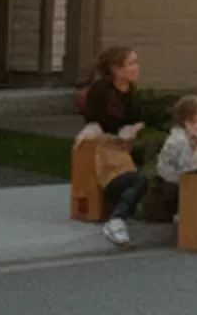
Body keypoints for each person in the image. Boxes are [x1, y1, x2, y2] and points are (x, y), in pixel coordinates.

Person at [73, 46, 148, 247]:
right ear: (116, 69)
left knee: (143, 177)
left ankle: (121, 215)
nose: (137, 67)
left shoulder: (130, 90)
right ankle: (116, 220)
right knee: (139, 180)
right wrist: (118, 133)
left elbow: (138, 118)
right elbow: (97, 122)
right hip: (106, 152)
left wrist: (135, 128)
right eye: (131, 63)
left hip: (122, 149)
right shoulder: (101, 90)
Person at [146, 95, 197, 222]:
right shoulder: (177, 140)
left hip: (193, 182)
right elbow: (187, 173)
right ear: (187, 123)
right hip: (171, 186)